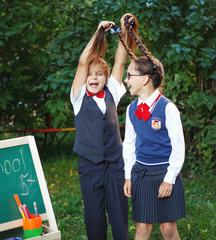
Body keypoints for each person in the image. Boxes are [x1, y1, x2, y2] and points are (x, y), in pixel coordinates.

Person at [70, 14, 137, 240]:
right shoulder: (78, 98)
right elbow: (83, 61)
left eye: (99, 74)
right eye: (90, 75)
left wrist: (123, 30)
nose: (94, 78)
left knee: (119, 215)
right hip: (89, 165)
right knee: (94, 218)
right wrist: (98, 32)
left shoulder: (112, 93)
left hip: (115, 163)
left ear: (106, 79)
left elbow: (120, 61)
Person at [121, 20, 186, 240]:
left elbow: (178, 148)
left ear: (145, 79)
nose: (126, 79)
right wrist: (129, 175)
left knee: (167, 229)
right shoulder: (131, 109)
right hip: (141, 174)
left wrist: (169, 179)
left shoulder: (167, 109)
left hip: (164, 174)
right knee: (142, 228)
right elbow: (129, 143)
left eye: (130, 75)